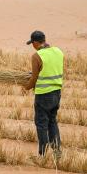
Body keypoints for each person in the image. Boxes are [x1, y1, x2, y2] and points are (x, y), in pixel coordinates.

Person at [23, 30, 63, 158]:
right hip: (56, 93)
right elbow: (48, 69)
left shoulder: (37, 56)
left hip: (43, 95)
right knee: (52, 121)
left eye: (32, 44)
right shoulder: (58, 51)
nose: (32, 46)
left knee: (41, 124)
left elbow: (34, 78)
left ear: (35, 42)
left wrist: (26, 87)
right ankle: (57, 152)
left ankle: (42, 155)